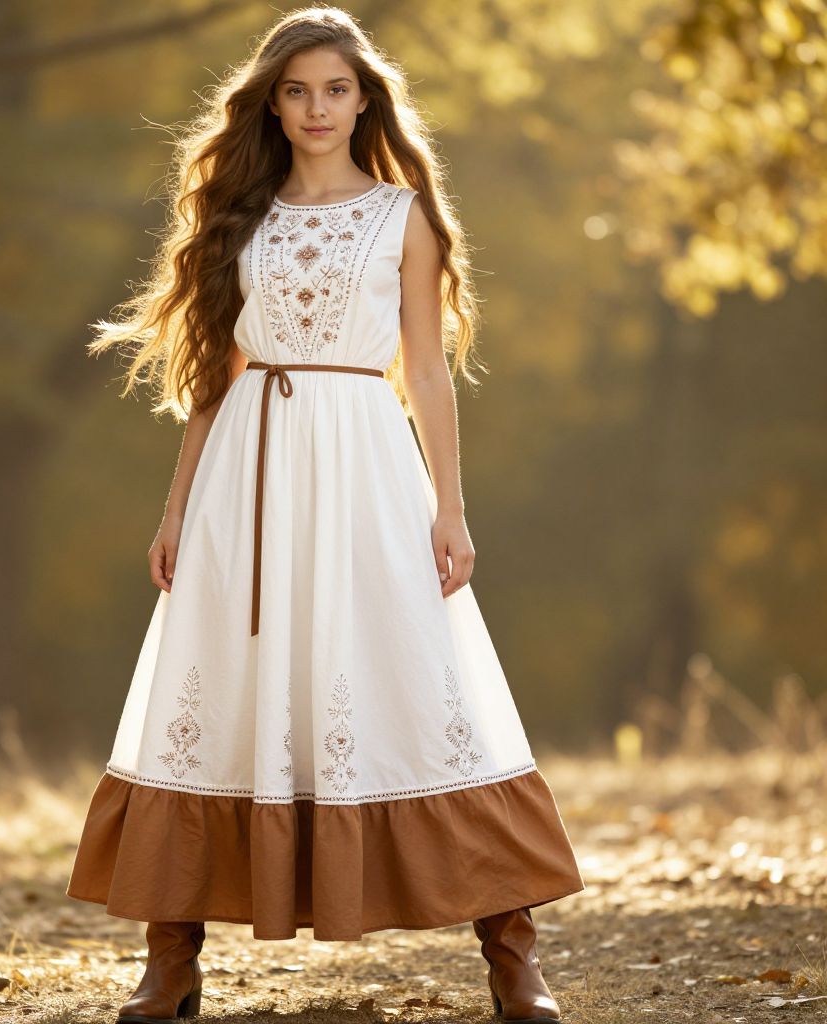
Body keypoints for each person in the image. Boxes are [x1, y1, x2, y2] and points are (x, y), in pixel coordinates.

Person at [66, 7, 586, 1023]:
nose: (316, 108)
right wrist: (176, 509)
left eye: (336, 89)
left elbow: (428, 371)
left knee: (420, 672)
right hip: (244, 476)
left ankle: (512, 958)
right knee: (213, 684)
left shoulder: (404, 217)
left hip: (365, 463)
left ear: (364, 99)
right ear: (272, 101)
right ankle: (169, 961)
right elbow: (214, 377)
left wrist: (451, 507)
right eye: (296, 90)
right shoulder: (237, 216)